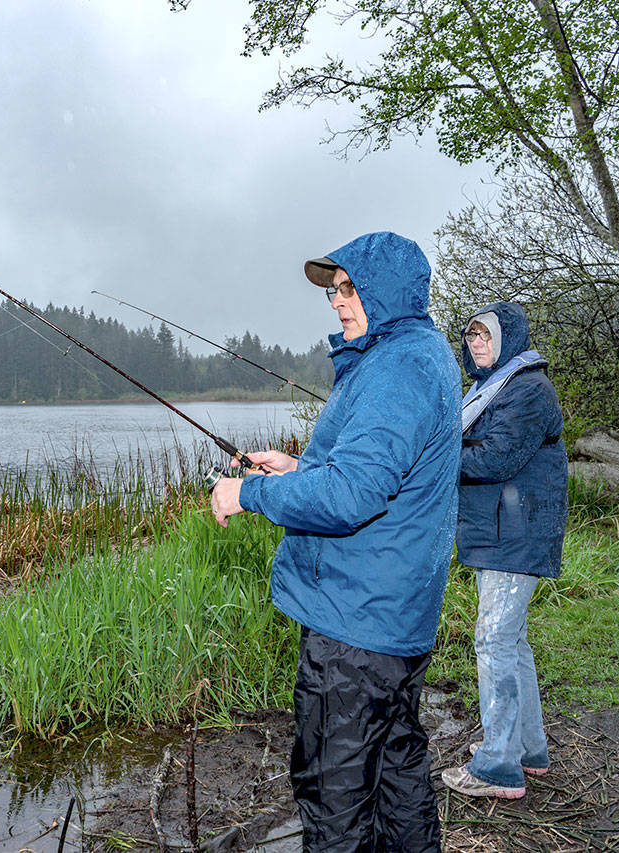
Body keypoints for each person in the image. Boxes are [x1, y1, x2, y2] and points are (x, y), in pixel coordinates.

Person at [210, 231, 460, 852]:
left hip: (356, 626)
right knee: (399, 779)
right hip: (391, 621)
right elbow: (377, 473)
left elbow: (352, 496)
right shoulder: (414, 355)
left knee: (335, 801)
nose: (338, 302)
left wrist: (247, 495)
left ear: (388, 292)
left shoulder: (398, 366)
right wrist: (298, 470)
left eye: (350, 288)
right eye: (334, 292)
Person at [440, 301, 568, 800]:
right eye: (471, 336)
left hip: (516, 535)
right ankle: (529, 751)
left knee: (493, 641)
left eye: (485, 335)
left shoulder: (528, 389)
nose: (476, 343)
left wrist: (434, 452)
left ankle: (497, 767)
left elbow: (496, 457)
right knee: (511, 642)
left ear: (508, 338)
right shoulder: (490, 389)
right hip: (501, 532)